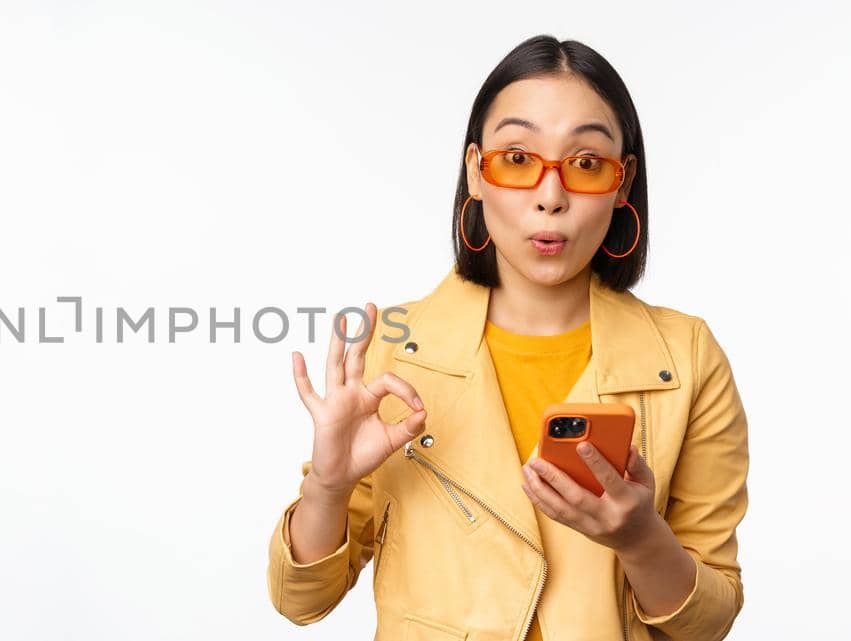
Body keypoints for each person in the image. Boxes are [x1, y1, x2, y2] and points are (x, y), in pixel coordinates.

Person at [267, 35, 749, 641]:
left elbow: (707, 624)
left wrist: (640, 537)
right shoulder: (391, 349)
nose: (551, 197)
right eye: (518, 159)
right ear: (476, 172)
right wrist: (328, 486)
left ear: (623, 184)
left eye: (587, 163)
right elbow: (300, 601)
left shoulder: (686, 357)